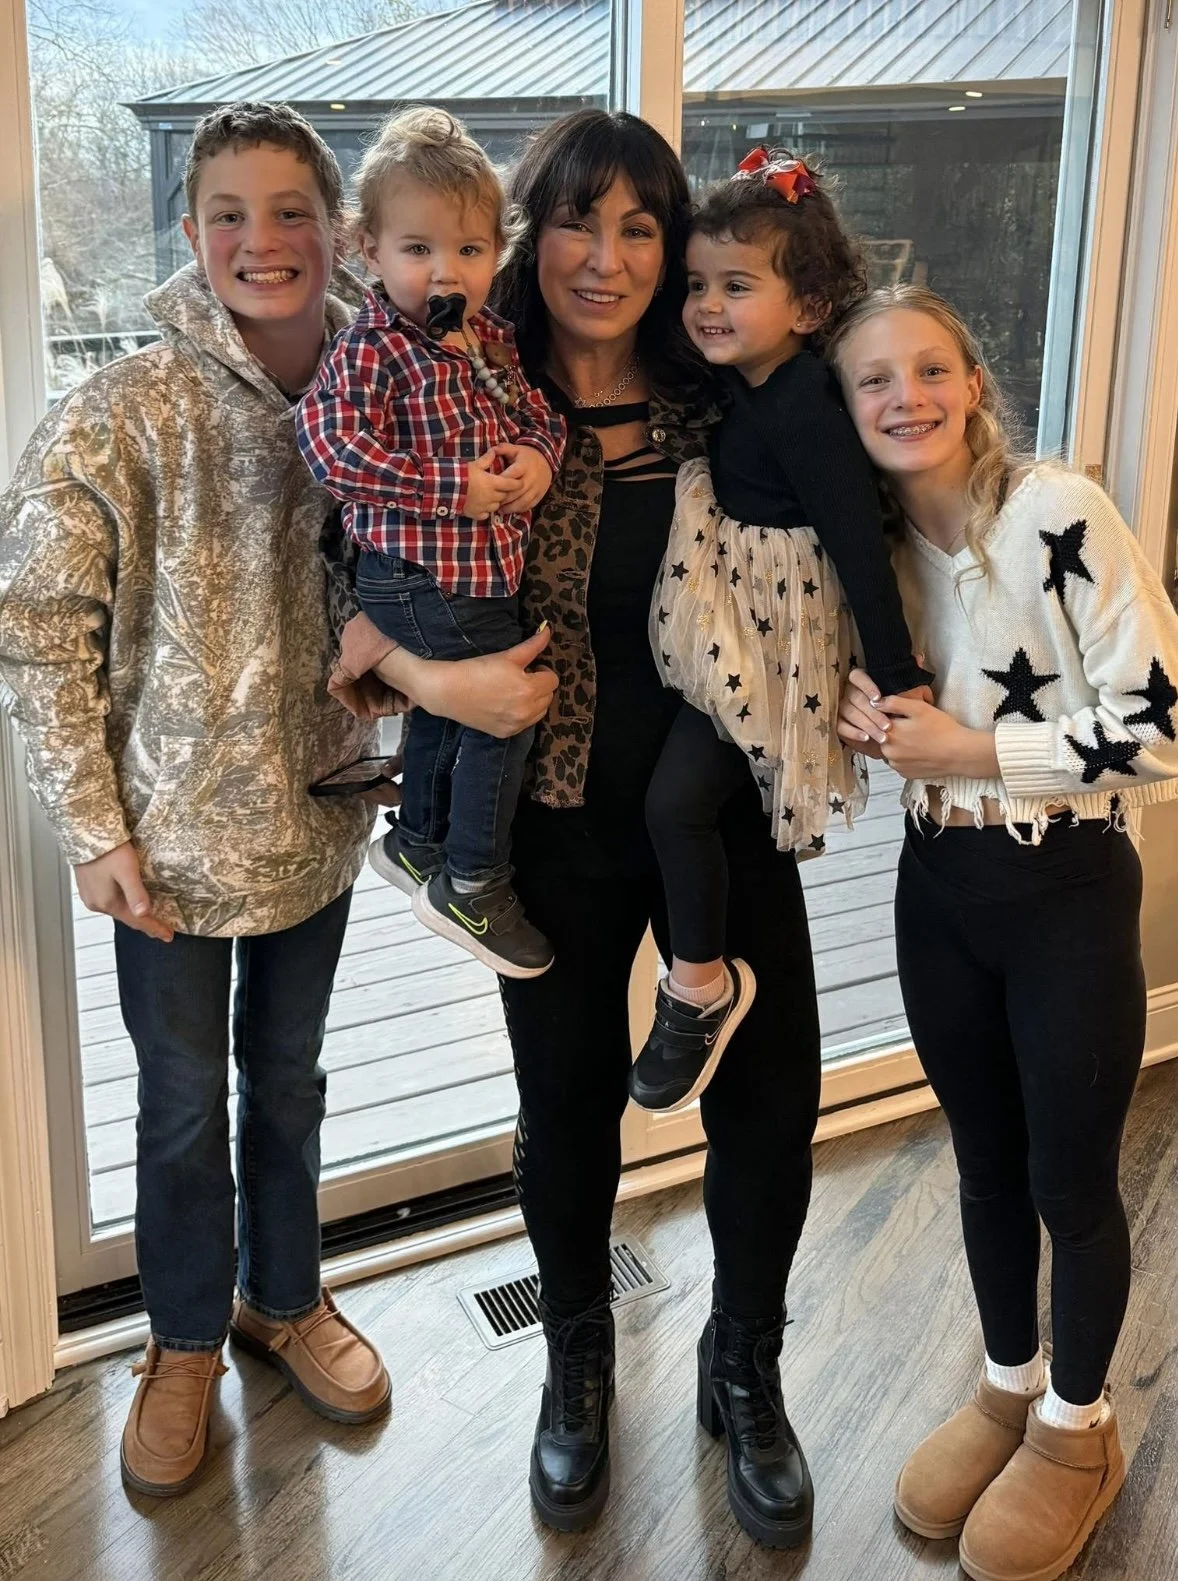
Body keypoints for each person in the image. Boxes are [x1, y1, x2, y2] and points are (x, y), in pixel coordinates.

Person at [334, 108, 831, 1549]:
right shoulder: (454, 392)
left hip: (717, 809)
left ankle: (743, 1364)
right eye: (575, 220)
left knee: (767, 1104)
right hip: (543, 823)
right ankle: (577, 1359)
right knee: (565, 1120)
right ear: (524, 232)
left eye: (638, 228)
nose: (603, 257)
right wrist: (431, 675)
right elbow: (349, 601)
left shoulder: (727, 395)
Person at [831, 285, 1178, 1581]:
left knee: (1068, 1180)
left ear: (970, 379)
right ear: (845, 409)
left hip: (1067, 890)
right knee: (978, 1161)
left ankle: (1077, 1427)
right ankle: (1002, 1386)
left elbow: (1163, 724)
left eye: (927, 369)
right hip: (937, 888)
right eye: (872, 381)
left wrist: (972, 746)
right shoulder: (861, 546)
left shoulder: (1056, 512)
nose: (903, 398)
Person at [629, 148, 930, 1113]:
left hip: (772, 640)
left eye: (737, 286)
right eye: (697, 285)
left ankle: (700, 988)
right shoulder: (750, 384)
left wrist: (897, 673)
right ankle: (701, 982)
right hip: (738, 617)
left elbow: (854, 537)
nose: (708, 304)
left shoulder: (804, 402)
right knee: (682, 806)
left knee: (676, 805)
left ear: (805, 307)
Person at [297, 107, 566, 980]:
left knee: (462, 703)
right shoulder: (370, 347)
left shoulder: (487, 338)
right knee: (504, 706)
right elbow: (333, 449)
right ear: (368, 250)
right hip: (415, 573)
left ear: (497, 253)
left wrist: (535, 457)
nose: (444, 272)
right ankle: (473, 880)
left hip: (475, 572)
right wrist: (454, 486)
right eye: (418, 251)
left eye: (468, 251)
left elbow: (539, 416)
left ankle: (416, 841)